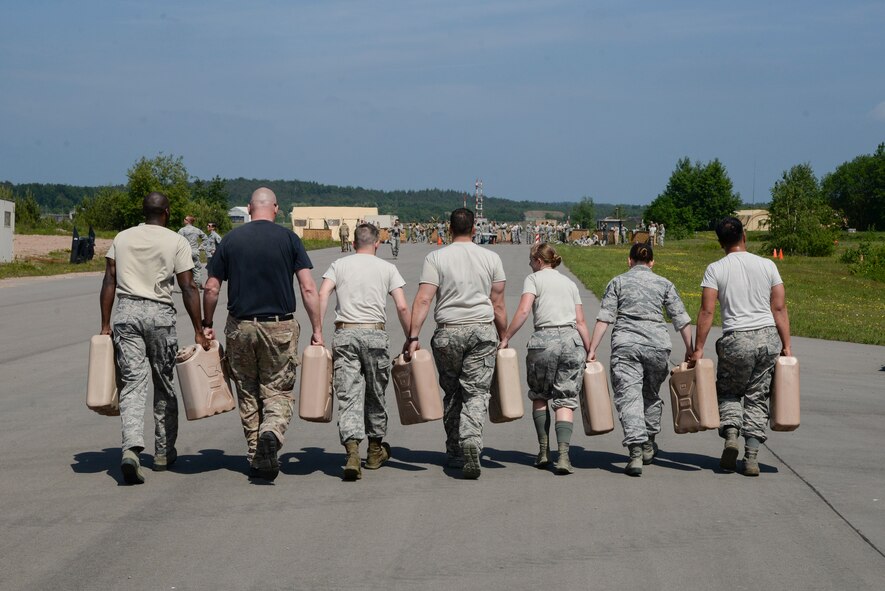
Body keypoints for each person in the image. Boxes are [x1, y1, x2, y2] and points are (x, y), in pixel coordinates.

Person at [202, 187, 323, 481]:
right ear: (276, 208)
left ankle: (257, 454)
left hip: (241, 326)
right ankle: (272, 431)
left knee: (247, 391)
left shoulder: (230, 240)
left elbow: (211, 287)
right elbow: (308, 287)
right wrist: (317, 328)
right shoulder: (289, 239)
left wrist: (206, 323)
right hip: (279, 326)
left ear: (248, 208)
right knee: (277, 389)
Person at [99, 192, 209, 485]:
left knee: (132, 384)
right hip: (160, 316)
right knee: (164, 383)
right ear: (167, 213)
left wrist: (105, 323)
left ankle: (132, 449)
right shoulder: (176, 241)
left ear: (143, 210)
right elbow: (188, 288)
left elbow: (109, 279)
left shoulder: (122, 238)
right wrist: (199, 329)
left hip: (126, 313)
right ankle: (163, 453)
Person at [407, 208, 507, 479]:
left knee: (452, 393)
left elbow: (424, 299)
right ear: (474, 229)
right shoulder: (491, 258)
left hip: (448, 332)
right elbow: (497, 303)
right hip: (482, 332)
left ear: (448, 229)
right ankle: (471, 440)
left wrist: (413, 336)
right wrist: (504, 334)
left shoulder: (435, 257)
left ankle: (454, 452)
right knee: (476, 392)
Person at [692, 217, 791, 477]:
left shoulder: (715, 269)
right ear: (743, 235)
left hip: (737, 339)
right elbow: (778, 307)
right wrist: (787, 344)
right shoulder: (767, 265)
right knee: (757, 397)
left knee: (728, 392)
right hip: (768, 338)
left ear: (719, 242)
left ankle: (732, 436)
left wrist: (698, 348)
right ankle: (752, 458)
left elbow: (707, 310)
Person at [588, 243, 692, 477]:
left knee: (629, 396)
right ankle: (648, 443)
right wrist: (691, 349)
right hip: (657, 346)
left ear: (629, 261)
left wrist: (592, 348)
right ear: (652, 262)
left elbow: (605, 318)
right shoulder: (665, 284)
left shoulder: (618, 282)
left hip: (626, 345)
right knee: (651, 394)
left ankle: (635, 449)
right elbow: (681, 319)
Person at [318, 223, 411, 481]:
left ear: (354, 242)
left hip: (345, 333)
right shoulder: (387, 268)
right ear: (377, 243)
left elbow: (322, 293)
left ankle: (351, 453)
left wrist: (317, 330)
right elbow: (402, 307)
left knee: (348, 394)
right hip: (375, 334)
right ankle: (374, 450)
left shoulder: (339, 265)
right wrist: (411, 337)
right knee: (376, 394)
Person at [499, 243, 591, 475]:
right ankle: (563, 456)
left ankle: (542, 451)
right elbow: (580, 321)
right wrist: (590, 349)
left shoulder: (534, 279)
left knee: (540, 395)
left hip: (543, 341)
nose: (530, 265)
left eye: (531, 261)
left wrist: (506, 336)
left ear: (539, 261)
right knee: (566, 398)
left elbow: (522, 311)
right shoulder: (570, 283)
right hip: (572, 342)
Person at [178, 215, 207, 288]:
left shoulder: (182, 230)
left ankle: (187, 286)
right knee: (196, 270)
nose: (183, 220)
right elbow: (205, 238)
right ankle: (197, 287)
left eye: (185, 219)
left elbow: (177, 240)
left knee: (185, 269)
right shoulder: (197, 230)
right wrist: (201, 247)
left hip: (186, 252)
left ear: (188, 221)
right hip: (195, 251)